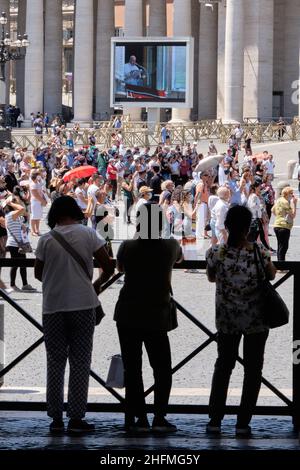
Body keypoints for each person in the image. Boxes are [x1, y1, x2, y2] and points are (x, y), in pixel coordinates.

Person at [34, 196, 114, 435]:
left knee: (55, 361)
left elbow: (39, 273)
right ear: (75, 212)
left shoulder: (46, 239)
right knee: (80, 362)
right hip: (82, 305)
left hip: (53, 306)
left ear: (54, 215)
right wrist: (97, 283)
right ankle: (76, 416)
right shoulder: (88, 234)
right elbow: (108, 265)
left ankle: (56, 417)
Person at [206, 205, 276, 436]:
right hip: (256, 319)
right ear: (248, 228)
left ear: (226, 226)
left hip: (227, 319)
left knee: (223, 367)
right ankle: (243, 422)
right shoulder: (259, 252)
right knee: (253, 370)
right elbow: (272, 273)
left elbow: (211, 277)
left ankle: (215, 419)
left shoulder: (216, 252)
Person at [114, 203, 183, 432]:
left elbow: (120, 268)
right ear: (161, 224)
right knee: (162, 368)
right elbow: (180, 259)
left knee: (132, 369)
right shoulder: (170, 246)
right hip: (157, 313)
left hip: (128, 311)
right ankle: (159, 417)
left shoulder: (127, 246)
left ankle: (139, 418)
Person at [4, 197, 36, 292]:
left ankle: (25, 284)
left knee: (23, 264)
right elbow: (22, 209)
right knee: (15, 264)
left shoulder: (16, 216)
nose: (19, 203)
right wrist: (10, 203)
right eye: (17, 202)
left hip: (19, 244)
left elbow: (25, 212)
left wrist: (24, 227)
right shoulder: (10, 215)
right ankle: (12, 285)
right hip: (13, 243)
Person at [272, 186, 297, 262]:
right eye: (291, 193)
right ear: (286, 194)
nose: (292, 195)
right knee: (284, 247)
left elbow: (272, 210)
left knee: (280, 246)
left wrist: (279, 216)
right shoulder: (285, 202)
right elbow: (293, 215)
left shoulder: (278, 200)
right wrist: (295, 204)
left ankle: (280, 264)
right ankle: (281, 266)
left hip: (277, 225)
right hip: (284, 226)